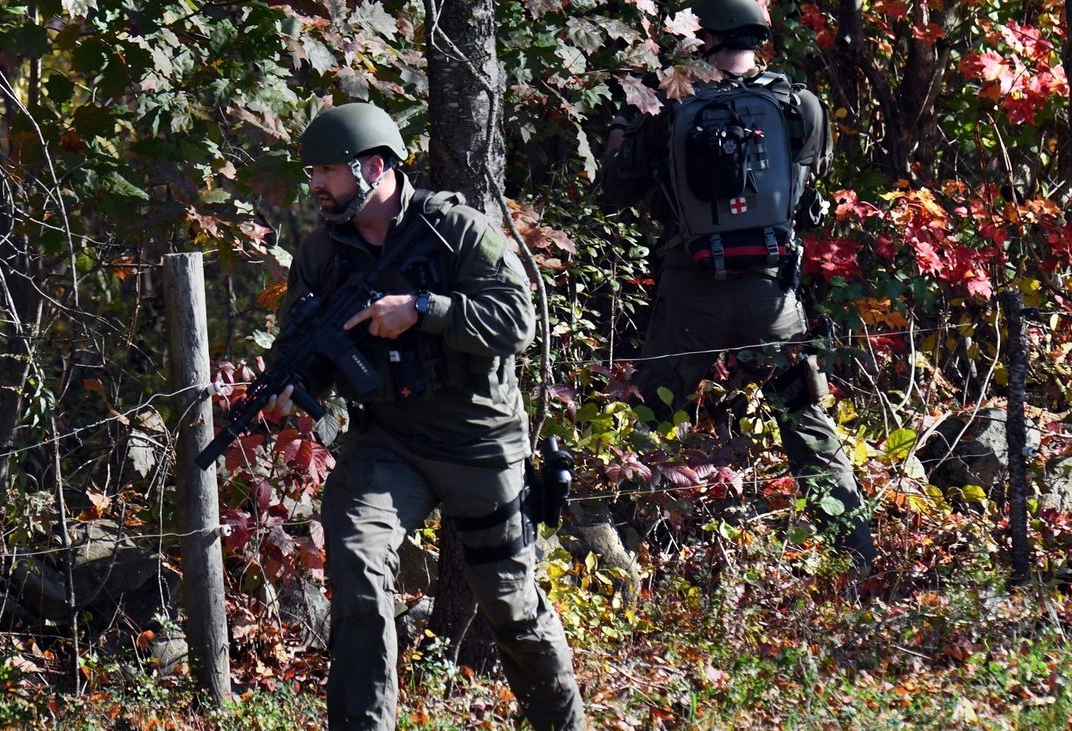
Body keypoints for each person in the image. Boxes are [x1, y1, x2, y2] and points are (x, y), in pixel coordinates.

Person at [265, 102, 585, 730]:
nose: (316, 186)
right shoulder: (321, 252)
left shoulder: (458, 230)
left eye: (326, 171)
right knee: (357, 569)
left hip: (480, 442)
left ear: (373, 167)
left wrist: (424, 308)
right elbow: (304, 350)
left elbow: (517, 322)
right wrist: (293, 387)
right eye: (313, 173)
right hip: (389, 442)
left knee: (511, 607)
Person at [599, 0, 876, 574]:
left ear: (703, 34)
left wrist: (624, 129)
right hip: (771, 297)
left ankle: (613, 556)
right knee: (805, 422)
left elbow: (614, 191)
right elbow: (809, 184)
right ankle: (857, 559)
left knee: (647, 417)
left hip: (691, 295)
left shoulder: (667, 106)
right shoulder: (798, 104)